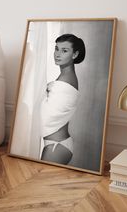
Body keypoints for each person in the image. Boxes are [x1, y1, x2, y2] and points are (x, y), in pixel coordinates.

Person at [40, 34, 85, 164]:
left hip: (57, 145)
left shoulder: (66, 80)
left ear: (75, 54)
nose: (57, 54)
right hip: (57, 143)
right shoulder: (64, 76)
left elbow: (49, 115)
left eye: (64, 50)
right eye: (56, 49)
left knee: (42, 182)